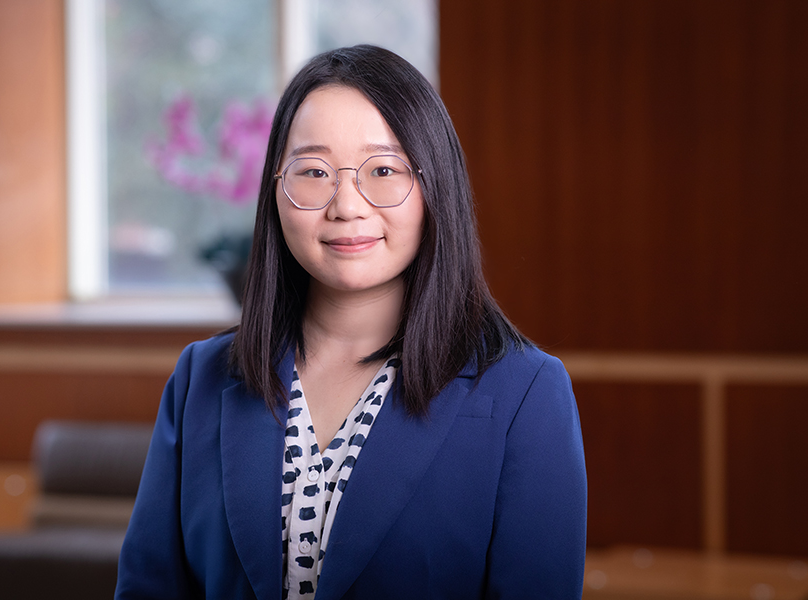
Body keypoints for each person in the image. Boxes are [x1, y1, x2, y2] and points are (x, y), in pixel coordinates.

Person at [115, 45, 586, 600]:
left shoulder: (523, 394)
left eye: (383, 170)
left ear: (435, 186)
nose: (347, 205)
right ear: (275, 189)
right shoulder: (203, 378)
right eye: (314, 171)